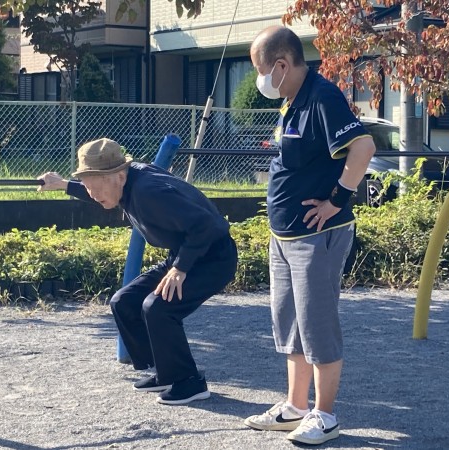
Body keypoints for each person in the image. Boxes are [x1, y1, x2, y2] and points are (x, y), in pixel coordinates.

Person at [243, 26, 376, 445]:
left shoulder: (322, 97)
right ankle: (296, 406)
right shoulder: (292, 101)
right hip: (285, 235)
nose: (260, 80)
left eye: (261, 70)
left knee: (317, 324)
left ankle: (325, 415)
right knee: (291, 324)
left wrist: (337, 200)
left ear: (281, 65)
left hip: (317, 235)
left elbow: (363, 148)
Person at [38, 138, 238, 405]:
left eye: (96, 187)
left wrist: (180, 268)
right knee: (125, 301)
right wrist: (62, 184)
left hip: (212, 257)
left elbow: (208, 225)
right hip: (184, 254)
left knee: (158, 308)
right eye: (88, 186)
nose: (93, 194)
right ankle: (167, 372)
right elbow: (98, 191)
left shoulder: (149, 192)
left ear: (119, 176)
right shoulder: (125, 182)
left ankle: (189, 382)